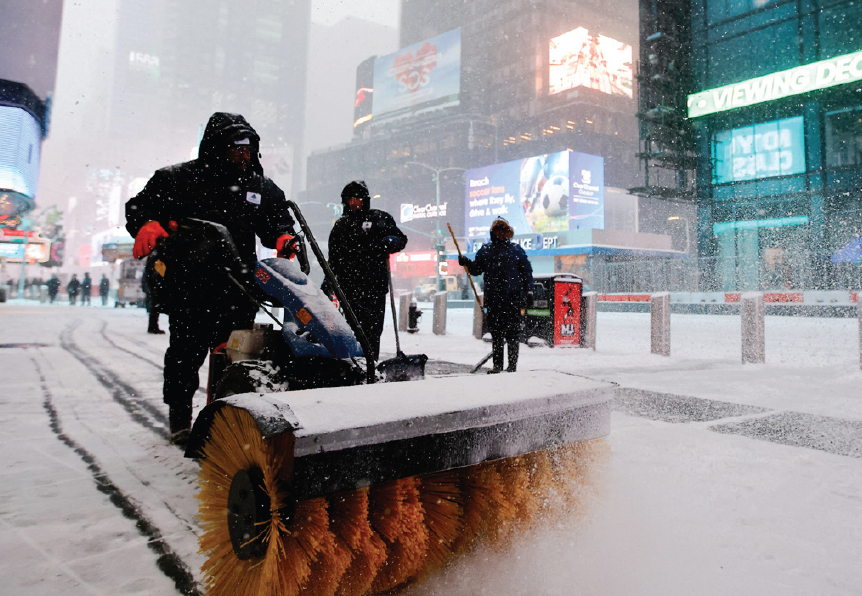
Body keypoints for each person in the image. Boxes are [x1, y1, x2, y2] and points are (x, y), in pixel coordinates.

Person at [125, 112, 298, 445]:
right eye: (237, 149)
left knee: (234, 357)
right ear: (217, 148)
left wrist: (282, 236)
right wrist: (147, 222)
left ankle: (224, 415)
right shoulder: (177, 179)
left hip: (239, 287)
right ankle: (180, 417)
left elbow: (277, 220)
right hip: (191, 285)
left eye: (249, 150)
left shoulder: (259, 187)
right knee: (185, 355)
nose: (244, 157)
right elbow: (141, 206)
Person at [325, 180, 407, 361]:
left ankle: (370, 361)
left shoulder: (379, 218)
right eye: (349, 199)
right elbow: (334, 259)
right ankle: (354, 361)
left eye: (357, 198)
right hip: (349, 287)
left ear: (364, 200)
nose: (353, 203)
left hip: (374, 286)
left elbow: (400, 239)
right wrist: (328, 283)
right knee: (351, 328)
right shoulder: (341, 226)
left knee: (372, 329)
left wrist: (391, 241)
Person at [458, 218, 534, 373]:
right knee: (498, 334)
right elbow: (477, 269)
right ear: (494, 232)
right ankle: (498, 366)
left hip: (511, 299)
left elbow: (526, 273)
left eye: (502, 230)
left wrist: (529, 291)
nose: (499, 233)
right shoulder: (487, 250)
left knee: (511, 334)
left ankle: (512, 366)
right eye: (497, 230)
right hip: (494, 299)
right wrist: (466, 262)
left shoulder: (515, 250)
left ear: (506, 232)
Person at [141, 255, 165, 334]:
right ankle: (153, 326)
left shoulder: (153, 259)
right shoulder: (156, 260)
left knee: (155, 307)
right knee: (155, 306)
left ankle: (153, 326)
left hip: (153, 286)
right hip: (155, 287)